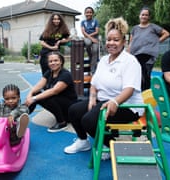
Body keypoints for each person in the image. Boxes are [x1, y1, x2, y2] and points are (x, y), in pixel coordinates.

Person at [64, 17, 144, 155]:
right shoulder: (104, 60)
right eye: (109, 40)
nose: (111, 43)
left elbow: (129, 90)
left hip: (126, 106)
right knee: (73, 110)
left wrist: (114, 101)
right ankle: (83, 141)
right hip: (103, 101)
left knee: (88, 121)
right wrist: (92, 98)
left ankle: (110, 145)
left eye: (116, 40)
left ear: (123, 41)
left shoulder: (130, 61)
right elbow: (94, 83)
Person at [25, 51, 78, 133]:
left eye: (56, 60)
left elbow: (54, 91)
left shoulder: (66, 74)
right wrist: (30, 95)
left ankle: (62, 122)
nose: (53, 63)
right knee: (36, 94)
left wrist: (34, 98)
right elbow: (38, 86)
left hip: (70, 108)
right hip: (59, 104)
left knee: (48, 96)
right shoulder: (49, 72)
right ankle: (23, 115)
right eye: (51, 61)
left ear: (61, 62)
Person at [128, 6, 170, 91]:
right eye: (142, 14)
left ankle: (146, 92)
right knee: (137, 74)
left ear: (149, 17)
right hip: (135, 54)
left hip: (148, 55)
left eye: (146, 15)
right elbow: (131, 42)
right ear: (139, 16)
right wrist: (128, 53)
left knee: (145, 74)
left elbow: (166, 33)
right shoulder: (135, 28)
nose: (144, 16)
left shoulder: (153, 27)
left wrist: (157, 41)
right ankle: (138, 92)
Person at [81, 6, 100, 75]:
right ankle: (90, 57)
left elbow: (96, 31)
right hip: (87, 38)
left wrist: (93, 38)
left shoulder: (95, 21)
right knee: (88, 43)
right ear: (85, 13)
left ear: (92, 13)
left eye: (90, 12)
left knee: (95, 50)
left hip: (95, 37)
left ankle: (92, 70)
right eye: (87, 12)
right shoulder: (83, 22)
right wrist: (91, 38)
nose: (88, 14)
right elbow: (83, 32)